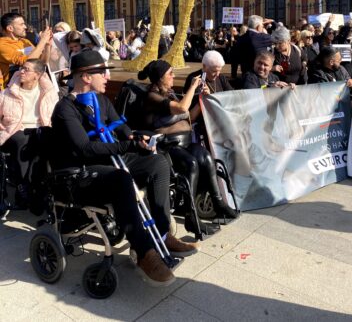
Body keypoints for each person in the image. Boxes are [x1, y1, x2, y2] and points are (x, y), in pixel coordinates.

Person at [51, 50, 198, 287]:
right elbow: (85, 149)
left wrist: (139, 139)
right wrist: (127, 146)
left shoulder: (101, 100)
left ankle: (161, 233)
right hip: (79, 174)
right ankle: (143, 253)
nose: (108, 77)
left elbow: (123, 129)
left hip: (106, 164)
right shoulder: (65, 109)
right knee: (121, 179)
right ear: (86, 76)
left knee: (158, 162)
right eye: (102, 72)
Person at [139, 60, 238, 236]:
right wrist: (193, 86)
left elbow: (189, 116)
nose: (173, 76)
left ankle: (219, 203)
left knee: (206, 158)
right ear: (160, 78)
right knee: (191, 164)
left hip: (184, 141)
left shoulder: (169, 94)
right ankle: (191, 216)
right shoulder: (152, 97)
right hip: (166, 145)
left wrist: (202, 97)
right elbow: (182, 108)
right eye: (170, 73)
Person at [0, 59, 58, 207]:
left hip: (41, 129)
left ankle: (39, 189)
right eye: (21, 68)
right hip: (14, 131)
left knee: (46, 142)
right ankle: (24, 185)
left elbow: (55, 116)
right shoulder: (7, 93)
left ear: (37, 75)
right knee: (23, 139)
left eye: (26, 69)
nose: (21, 72)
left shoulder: (48, 93)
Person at [0, 13, 52, 88]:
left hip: (31, 86)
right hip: (11, 89)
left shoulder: (25, 42)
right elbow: (27, 63)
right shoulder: (2, 45)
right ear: (10, 28)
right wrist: (42, 41)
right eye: (21, 24)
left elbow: (42, 61)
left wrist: (47, 45)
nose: (25, 27)